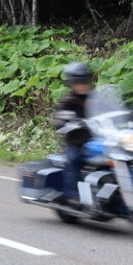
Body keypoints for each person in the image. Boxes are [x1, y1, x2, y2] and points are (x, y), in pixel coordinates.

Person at [53, 62, 93, 206]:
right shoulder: (68, 101)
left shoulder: (95, 98)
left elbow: (110, 110)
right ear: (72, 83)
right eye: (78, 81)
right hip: (76, 143)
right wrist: (65, 123)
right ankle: (71, 195)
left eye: (85, 80)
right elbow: (59, 121)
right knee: (73, 159)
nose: (82, 84)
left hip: (96, 142)